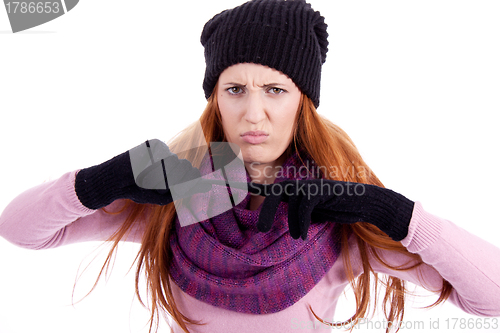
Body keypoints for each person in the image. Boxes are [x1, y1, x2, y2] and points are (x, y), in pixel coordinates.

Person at [1, 1, 500, 332]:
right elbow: (19, 230)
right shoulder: (182, 198)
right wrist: (98, 181)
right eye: (235, 89)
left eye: (276, 90)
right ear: (215, 99)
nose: (253, 113)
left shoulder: (335, 225)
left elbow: (490, 298)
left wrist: (387, 210)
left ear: (302, 103)